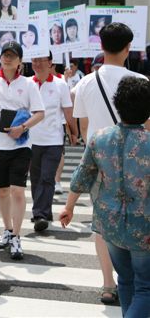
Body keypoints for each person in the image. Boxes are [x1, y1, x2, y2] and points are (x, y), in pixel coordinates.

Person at [71, 22, 149, 304]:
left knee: (104, 225)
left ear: (100, 47)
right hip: (137, 165)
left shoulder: (84, 83)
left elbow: (81, 129)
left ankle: (108, 283)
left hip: (98, 165)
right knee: (139, 223)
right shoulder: (142, 83)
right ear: (128, 47)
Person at [60, 76, 150, 317]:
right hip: (144, 226)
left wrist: (69, 206)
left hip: (108, 222)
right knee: (146, 286)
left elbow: (81, 177)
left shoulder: (100, 138)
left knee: (126, 279)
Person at [0, 41, 45, 260]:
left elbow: (39, 113)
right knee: (3, 191)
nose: (7, 58)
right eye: (4, 55)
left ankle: (17, 236)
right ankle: (7, 229)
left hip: (20, 145)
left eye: (12, 55)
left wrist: (23, 127)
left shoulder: (28, 84)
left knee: (18, 190)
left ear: (19, 61)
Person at [29, 53, 77, 232]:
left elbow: (67, 110)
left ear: (50, 63)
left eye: (41, 60)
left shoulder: (60, 84)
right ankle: (44, 211)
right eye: (35, 60)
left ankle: (39, 214)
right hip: (31, 141)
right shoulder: (28, 83)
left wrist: (73, 132)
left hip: (54, 139)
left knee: (47, 177)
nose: (38, 63)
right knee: (35, 179)